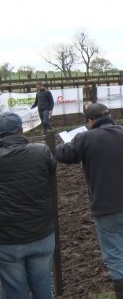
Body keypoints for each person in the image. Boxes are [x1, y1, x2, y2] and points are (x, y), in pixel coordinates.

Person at [55, 103, 123, 299]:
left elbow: (66, 154)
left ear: (90, 121)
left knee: (115, 257)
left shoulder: (85, 138)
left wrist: (54, 146)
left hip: (107, 206)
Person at [0, 112, 56, 299]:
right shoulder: (41, 151)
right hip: (41, 234)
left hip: (7, 239)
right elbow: (51, 172)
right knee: (43, 287)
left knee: (14, 290)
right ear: (21, 131)